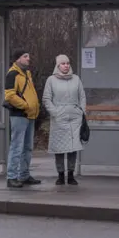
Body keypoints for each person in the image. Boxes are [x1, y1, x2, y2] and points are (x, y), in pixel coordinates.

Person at [42, 54, 86, 186]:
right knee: (59, 147)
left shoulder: (76, 79)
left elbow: (82, 97)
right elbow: (46, 99)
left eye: (67, 63)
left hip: (75, 117)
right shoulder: (51, 80)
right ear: (58, 65)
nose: (66, 66)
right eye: (63, 63)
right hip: (59, 117)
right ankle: (60, 175)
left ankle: (71, 175)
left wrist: (81, 112)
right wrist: (55, 112)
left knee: (73, 147)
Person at [4, 50, 41, 189]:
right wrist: (25, 105)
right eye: (25, 56)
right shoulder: (12, 74)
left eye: (28, 56)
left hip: (30, 115)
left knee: (27, 147)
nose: (28, 59)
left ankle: (24, 175)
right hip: (19, 115)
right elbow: (10, 95)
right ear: (17, 59)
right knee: (17, 146)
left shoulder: (27, 74)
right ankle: (11, 177)